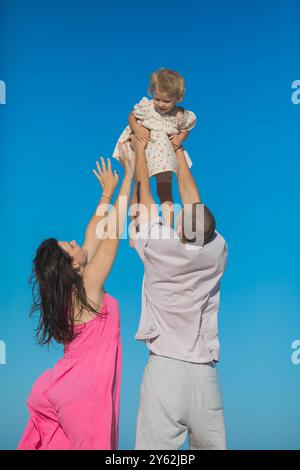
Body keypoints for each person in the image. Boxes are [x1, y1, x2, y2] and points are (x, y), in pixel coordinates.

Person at [18, 144, 135, 450]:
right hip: (86, 391)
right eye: (69, 246)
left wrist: (106, 196)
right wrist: (130, 175)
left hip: (64, 387)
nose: (74, 241)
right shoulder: (89, 286)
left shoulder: (75, 291)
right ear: (72, 265)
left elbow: (93, 235)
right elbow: (111, 234)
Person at [129, 135, 228, 450]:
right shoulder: (217, 252)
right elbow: (194, 202)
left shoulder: (159, 246)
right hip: (204, 376)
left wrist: (141, 153)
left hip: (165, 373)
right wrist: (177, 148)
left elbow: (145, 200)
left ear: (183, 229)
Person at [113, 68, 196, 227]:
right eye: (157, 99)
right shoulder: (147, 106)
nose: (160, 104)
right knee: (139, 187)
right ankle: (135, 229)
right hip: (142, 147)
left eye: (166, 101)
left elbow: (186, 128)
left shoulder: (180, 115)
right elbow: (132, 116)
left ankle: (167, 227)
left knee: (164, 190)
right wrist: (136, 128)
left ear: (178, 98)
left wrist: (180, 137)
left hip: (163, 154)